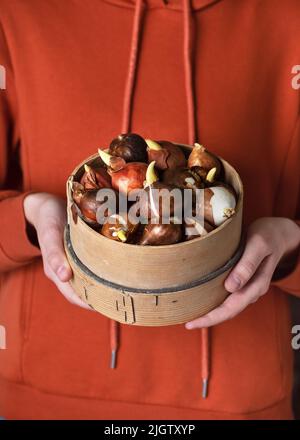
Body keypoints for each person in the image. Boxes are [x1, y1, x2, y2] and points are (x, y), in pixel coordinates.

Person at [0, 0, 299, 420]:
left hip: (236, 402)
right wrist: (27, 224)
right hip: (45, 395)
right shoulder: (17, 12)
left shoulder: (289, 18)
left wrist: (289, 248)